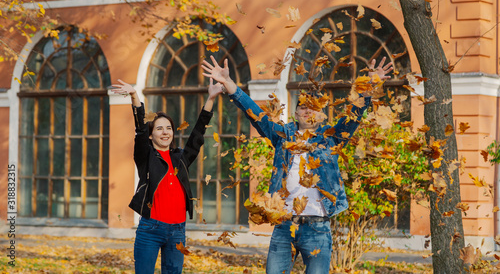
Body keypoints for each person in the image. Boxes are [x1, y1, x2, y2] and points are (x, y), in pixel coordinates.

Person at [201, 56, 393, 274]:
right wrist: (228, 84)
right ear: (296, 112)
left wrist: (369, 86)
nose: (308, 110)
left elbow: (354, 116)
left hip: (317, 227)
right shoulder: (283, 135)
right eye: (303, 107)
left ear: (320, 112)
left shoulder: (331, 137)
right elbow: (255, 113)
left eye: (313, 107)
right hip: (284, 224)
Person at [111, 78, 223, 274]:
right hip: (150, 230)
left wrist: (211, 99)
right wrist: (134, 96)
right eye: (159, 128)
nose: (165, 132)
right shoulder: (145, 156)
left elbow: (197, 134)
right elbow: (140, 129)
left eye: (169, 128)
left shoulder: (180, 158)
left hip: (177, 231)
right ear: (151, 134)